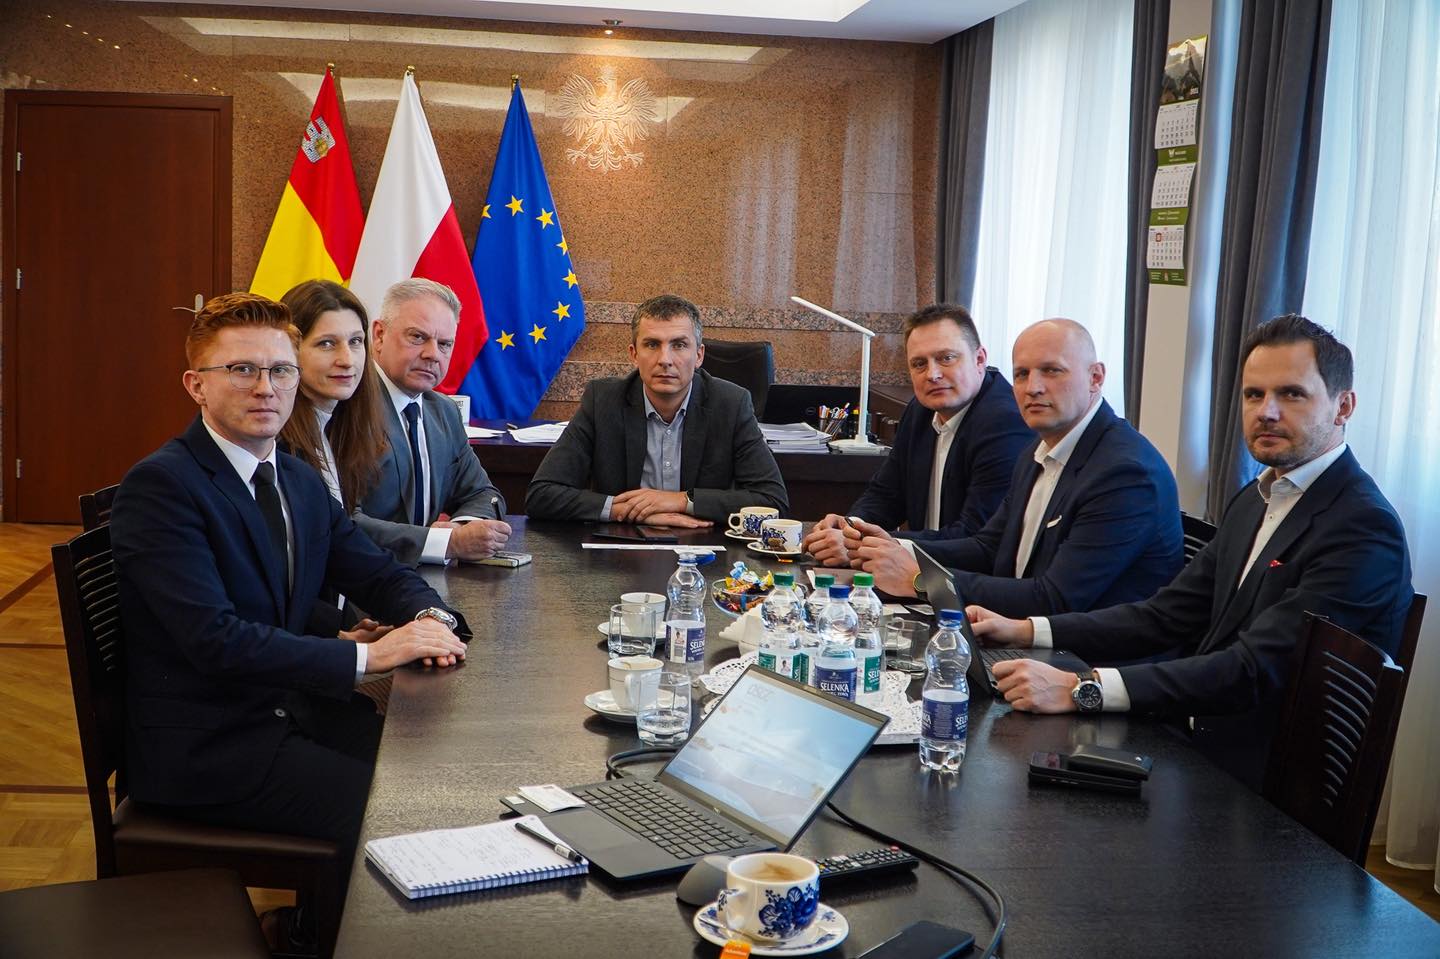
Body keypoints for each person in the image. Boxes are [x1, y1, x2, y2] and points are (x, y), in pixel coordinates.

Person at [110, 293, 470, 942]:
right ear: (196, 385)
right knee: (402, 813)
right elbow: (216, 641)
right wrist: (371, 656)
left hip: (287, 713)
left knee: (438, 773)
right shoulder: (162, 486)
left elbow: (375, 571)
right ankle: (325, 939)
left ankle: (309, 928)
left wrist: (429, 615)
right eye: (241, 370)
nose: (266, 387)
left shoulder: (296, 479)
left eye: (280, 370)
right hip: (209, 749)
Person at [969, 315, 1413, 789]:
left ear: (1344, 406)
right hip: (1197, 739)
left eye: (1291, 394)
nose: (1266, 412)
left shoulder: (1363, 528)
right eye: (1254, 395)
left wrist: (1084, 689)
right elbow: (1165, 616)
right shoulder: (1257, 498)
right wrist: (1027, 629)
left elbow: (1253, 669)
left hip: (1264, 784)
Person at [849, 318, 1182, 617]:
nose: (1032, 388)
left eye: (1051, 371)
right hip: (1023, 634)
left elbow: (1055, 598)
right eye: (1022, 374)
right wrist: (889, 546)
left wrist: (922, 580)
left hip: (1087, 656)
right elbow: (988, 547)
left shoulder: (1124, 473)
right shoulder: (1038, 451)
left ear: (1095, 378)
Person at [526, 294, 788, 525]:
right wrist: (628, 511)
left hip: (704, 549)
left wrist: (680, 501)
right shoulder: (603, 401)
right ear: (633, 354)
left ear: (699, 355)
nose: (665, 360)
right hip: (621, 548)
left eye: (679, 345)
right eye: (652, 345)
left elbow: (773, 502)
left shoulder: (731, 404)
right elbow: (541, 495)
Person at [802, 304, 1031, 567]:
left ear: (979, 360)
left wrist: (862, 546)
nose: (932, 374)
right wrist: (851, 528)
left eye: (946, 358)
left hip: (970, 581)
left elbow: (974, 537)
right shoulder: (921, 409)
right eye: (919, 364)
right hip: (920, 574)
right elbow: (887, 493)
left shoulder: (1005, 422)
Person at [357, 278, 511, 566]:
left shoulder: (443, 411)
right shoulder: (349, 407)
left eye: (444, 344)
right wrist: (445, 543)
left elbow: (483, 493)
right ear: (379, 335)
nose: (432, 354)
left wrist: (461, 527)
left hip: (421, 579)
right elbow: (344, 522)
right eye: (417, 337)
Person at [278, 279, 391, 637]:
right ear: (288, 352)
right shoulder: (274, 444)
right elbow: (276, 580)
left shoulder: (337, 430)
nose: (347, 359)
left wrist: (431, 616)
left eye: (356, 342)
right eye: (327, 344)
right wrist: (338, 636)